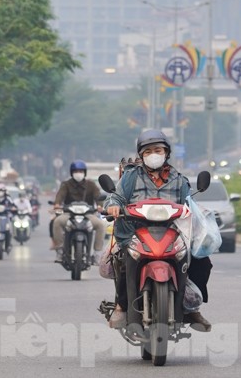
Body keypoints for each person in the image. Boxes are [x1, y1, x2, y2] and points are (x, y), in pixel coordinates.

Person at [104, 129, 210, 332]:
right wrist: (113, 206)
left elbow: (190, 204)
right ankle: (122, 306)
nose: (153, 154)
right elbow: (116, 197)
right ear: (141, 156)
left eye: (158, 150)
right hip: (135, 232)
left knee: (200, 262)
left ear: (166, 153)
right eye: (148, 151)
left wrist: (199, 215)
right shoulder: (130, 177)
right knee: (124, 263)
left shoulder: (179, 180)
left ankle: (191, 308)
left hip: (172, 233)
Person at [51, 160, 107, 263]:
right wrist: (57, 204)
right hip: (69, 214)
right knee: (57, 222)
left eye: (81, 171)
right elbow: (60, 195)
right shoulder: (66, 184)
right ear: (71, 172)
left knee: (101, 225)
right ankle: (59, 250)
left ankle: (97, 253)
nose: (78, 173)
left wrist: (100, 206)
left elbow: (98, 196)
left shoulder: (91, 184)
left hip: (88, 214)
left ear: (84, 172)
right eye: (76, 171)